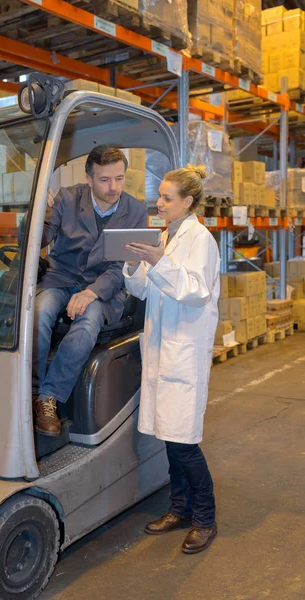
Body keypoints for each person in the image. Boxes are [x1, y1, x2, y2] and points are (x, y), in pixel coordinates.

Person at [123, 165, 220, 554]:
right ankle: (179, 508)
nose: (158, 203)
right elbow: (145, 289)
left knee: (184, 442)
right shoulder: (165, 235)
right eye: (159, 196)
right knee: (169, 436)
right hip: (163, 348)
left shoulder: (201, 240)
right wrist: (132, 264)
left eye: (166, 198)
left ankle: (205, 518)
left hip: (185, 351)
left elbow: (195, 291)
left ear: (188, 202)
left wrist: (160, 260)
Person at [33, 145, 147, 436]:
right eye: (105, 180)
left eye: (119, 179)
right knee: (39, 311)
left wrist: (92, 293)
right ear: (89, 178)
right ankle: (28, 389)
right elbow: (40, 238)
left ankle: (48, 397)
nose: (114, 187)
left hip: (104, 285)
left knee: (87, 324)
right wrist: (38, 212)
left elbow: (121, 266)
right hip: (62, 277)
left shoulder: (134, 211)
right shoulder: (67, 198)